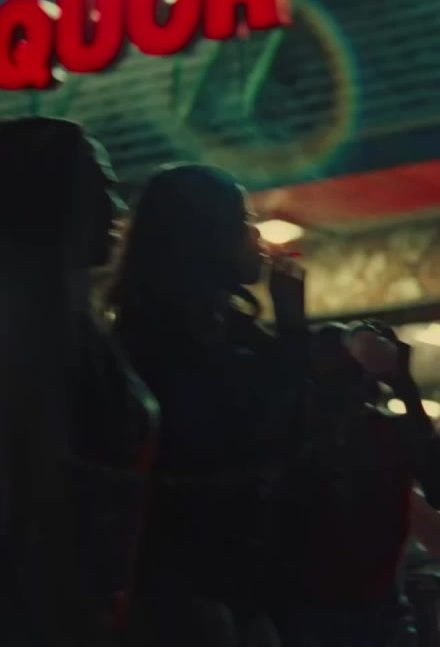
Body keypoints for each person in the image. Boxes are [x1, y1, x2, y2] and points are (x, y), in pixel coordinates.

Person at [0, 118, 159, 647]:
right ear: (52, 199)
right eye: (100, 186)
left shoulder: (54, 321)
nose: (118, 209)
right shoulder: (26, 326)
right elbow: (39, 506)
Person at [108, 164, 304, 647]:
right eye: (243, 221)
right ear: (205, 237)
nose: (255, 235)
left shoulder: (240, 337)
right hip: (180, 601)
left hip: (247, 595)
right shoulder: (147, 348)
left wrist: (291, 329)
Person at [280, 321, 440, 647]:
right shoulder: (294, 444)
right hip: (321, 619)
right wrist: (405, 388)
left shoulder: (385, 435)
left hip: (371, 618)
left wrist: (406, 389)